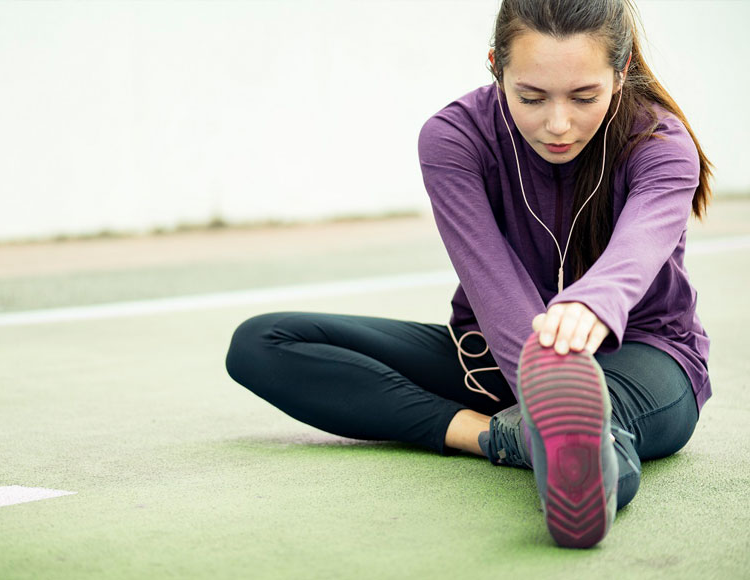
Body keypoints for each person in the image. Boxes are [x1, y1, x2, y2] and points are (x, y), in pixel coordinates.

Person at [225, 0, 712, 549]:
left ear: (621, 74)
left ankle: (573, 448)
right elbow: (491, 282)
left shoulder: (660, 145)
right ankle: (494, 437)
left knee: (582, 428)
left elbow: (636, 251)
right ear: (494, 66)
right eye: (531, 97)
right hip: (495, 359)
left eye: (584, 97)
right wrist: (539, 374)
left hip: (643, 357)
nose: (557, 124)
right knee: (262, 342)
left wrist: (591, 306)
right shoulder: (454, 138)